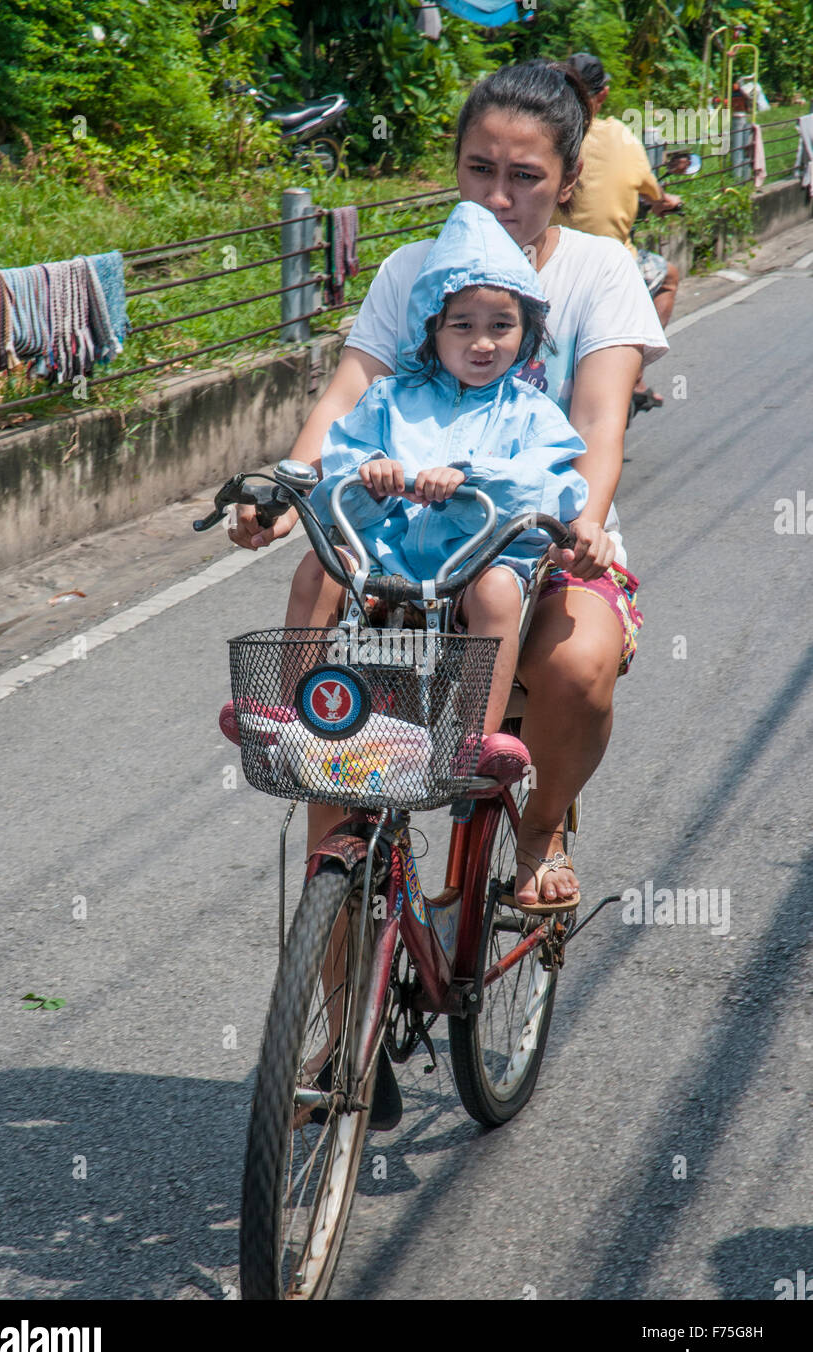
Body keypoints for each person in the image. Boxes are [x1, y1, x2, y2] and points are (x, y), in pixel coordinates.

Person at [227, 59, 667, 911]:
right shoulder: (409, 272)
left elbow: (599, 426)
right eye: (479, 170)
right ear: (454, 163)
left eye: (525, 177)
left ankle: (539, 824)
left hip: (530, 534)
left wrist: (582, 524)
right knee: (329, 745)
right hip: (398, 539)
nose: (499, 197)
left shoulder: (598, 272)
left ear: (568, 180)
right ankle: (329, 1033)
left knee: (577, 667)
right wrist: (285, 489)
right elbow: (349, 395)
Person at [307, 198, 590, 744]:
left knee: (499, 595)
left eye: (502, 325)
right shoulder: (388, 398)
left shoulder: (534, 413)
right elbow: (335, 473)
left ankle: (473, 745)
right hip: (382, 564)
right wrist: (372, 473)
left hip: (471, 572)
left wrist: (471, 478)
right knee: (319, 567)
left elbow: (555, 492)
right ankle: (290, 716)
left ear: (527, 332)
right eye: (462, 325)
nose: (483, 342)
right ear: (430, 330)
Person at [552, 52, 680, 405]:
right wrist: (664, 200)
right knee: (668, 275)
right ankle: (635, 376)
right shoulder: (620, 136)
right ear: (602, 95)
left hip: (546, 261)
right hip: (615, 267)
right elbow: (653, 192)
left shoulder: (546, 135)